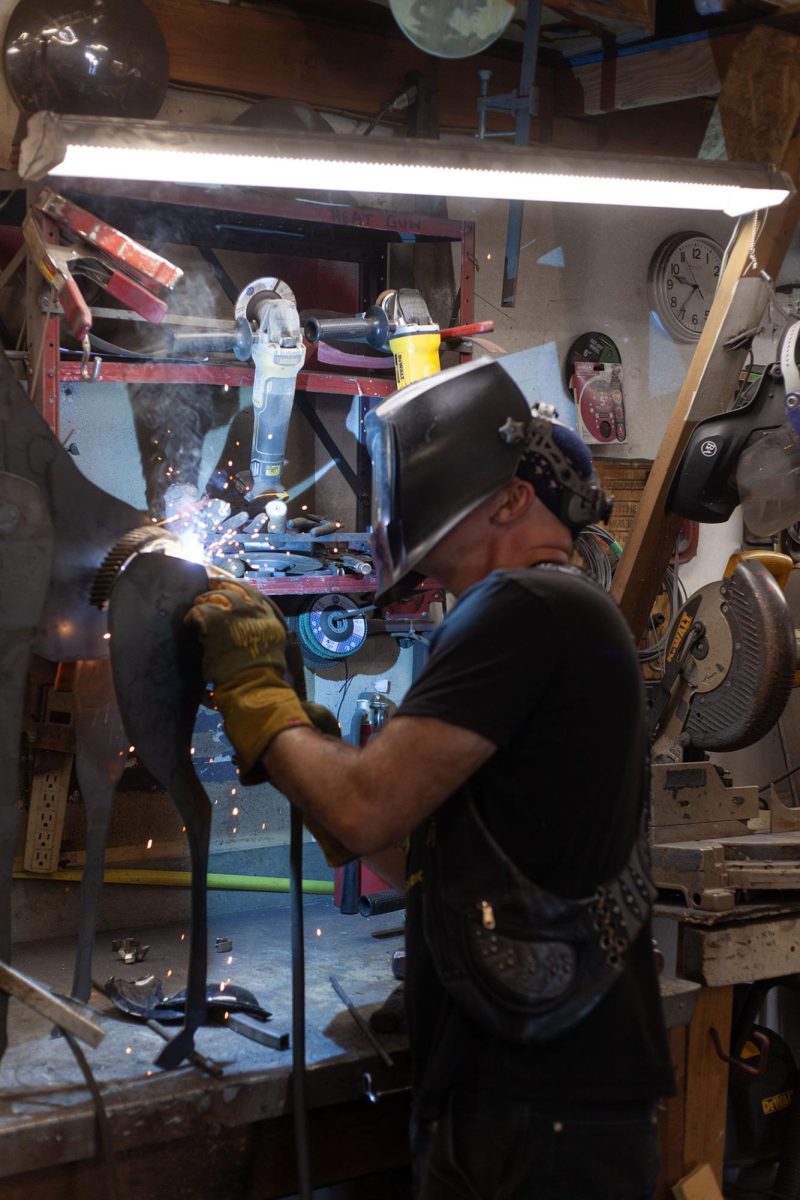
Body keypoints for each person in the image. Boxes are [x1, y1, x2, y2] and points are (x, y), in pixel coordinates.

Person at [187, 359, 674, 1200]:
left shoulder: (523, 607)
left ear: (515, 498)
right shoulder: (554, 613)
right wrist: (321, 757)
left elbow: (368, 807)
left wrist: (260, 697)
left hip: (539, 1110)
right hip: (542, 1092)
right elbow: (414, 840)